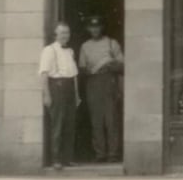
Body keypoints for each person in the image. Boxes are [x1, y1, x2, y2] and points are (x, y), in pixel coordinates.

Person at [78, 15, 124, 163]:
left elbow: (122, 64)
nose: (95, 29)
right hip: (93, 83)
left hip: (109, 81)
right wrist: (89, 70)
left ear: (102, 27)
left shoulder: (112, 43)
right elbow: (82, 68)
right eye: (92, 27)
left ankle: (113, 153)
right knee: (96, 120)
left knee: (111, 119)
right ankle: (100, 153)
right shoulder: (85, 46)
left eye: (97, 27)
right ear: (88, 29)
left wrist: (109, 65)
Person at [39, 22, 80, 170]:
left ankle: (67, 158)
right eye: (62, 33)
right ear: (55, 35)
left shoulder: (70, 51)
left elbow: (74, 75)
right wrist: (47, 95)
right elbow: (44, 74)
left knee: (70, 124)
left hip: (69, 88)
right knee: (58, 125)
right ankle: (56, 159)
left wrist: (76, 95)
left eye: (67, 33)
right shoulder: (49, 50)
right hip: (57, 88)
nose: (65, 36)